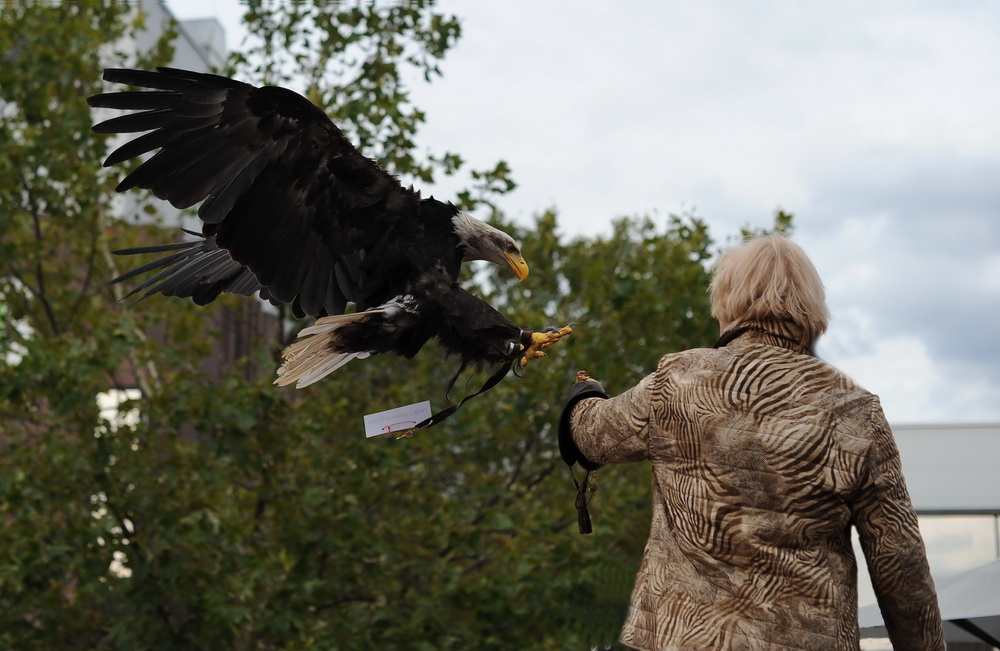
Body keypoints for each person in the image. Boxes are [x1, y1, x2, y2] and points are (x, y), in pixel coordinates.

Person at [559, 235, 944, 650]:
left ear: (727, 304)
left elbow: (589, 437)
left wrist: (584, 394)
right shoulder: (855, 411)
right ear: (812, 311)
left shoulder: (679, 381)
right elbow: (901, 569)